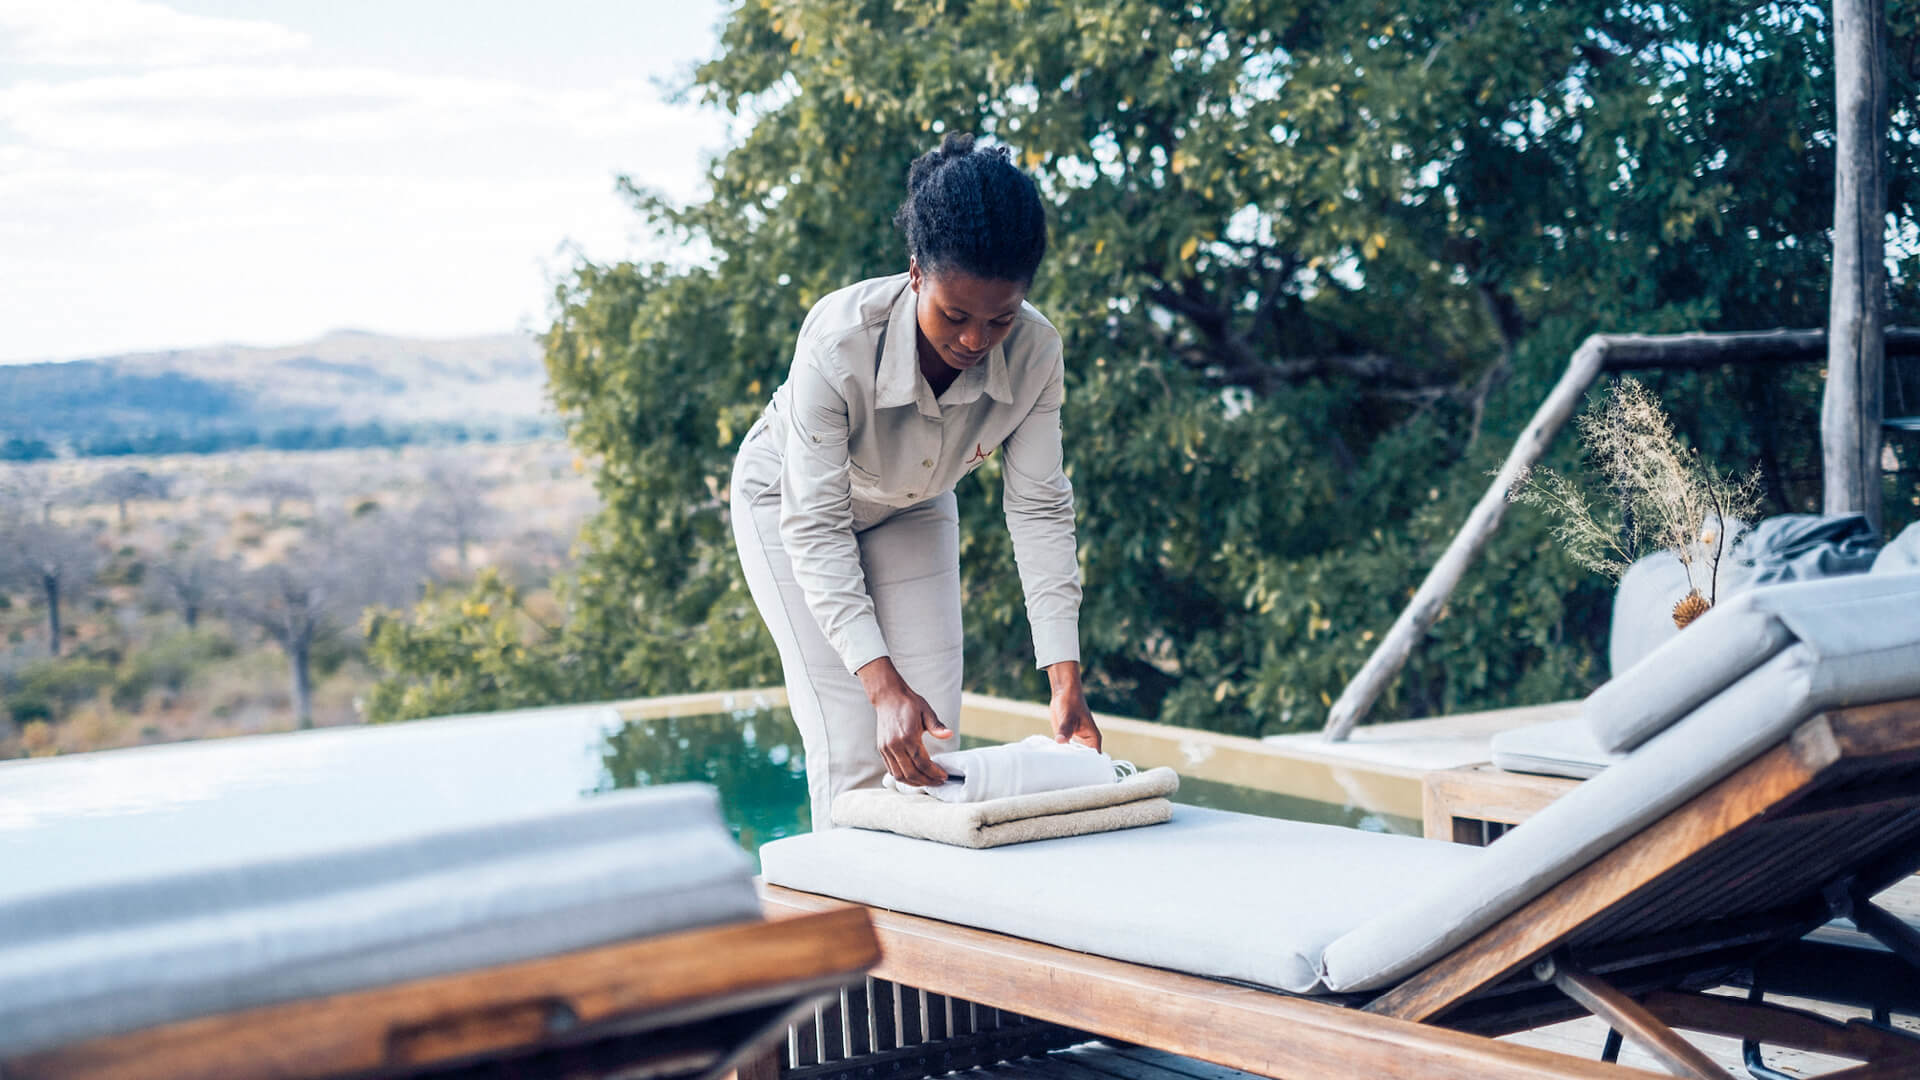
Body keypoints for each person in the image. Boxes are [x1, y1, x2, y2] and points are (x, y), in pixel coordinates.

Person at [730, 131, 1101, 828]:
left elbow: (1040, 509)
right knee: (855, 743)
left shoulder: (1037, 352)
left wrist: (1064, 676)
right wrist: (878, 683)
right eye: (953, 315)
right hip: (788, 502)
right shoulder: (838, 341)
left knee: (933, 746)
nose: (973, 340)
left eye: (1000, 318)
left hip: (913, 506)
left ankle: (920, 930)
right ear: (915, 275)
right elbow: (814, 524)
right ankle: (849, 928)